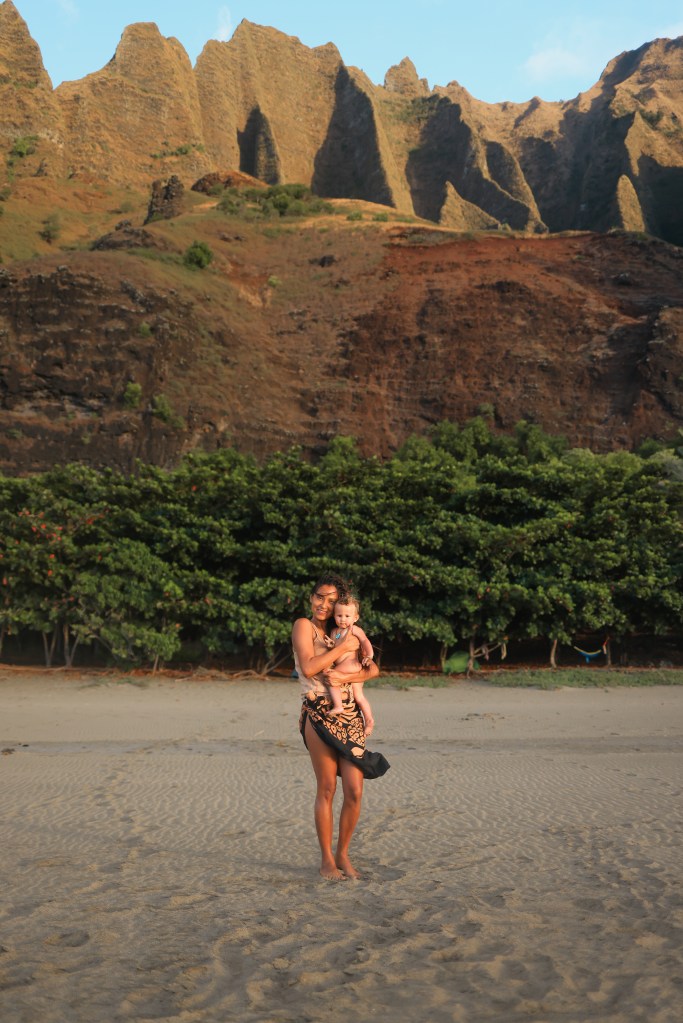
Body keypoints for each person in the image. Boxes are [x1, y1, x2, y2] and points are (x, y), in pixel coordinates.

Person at [292, 574, 390, 880]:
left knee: (354, 790)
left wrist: (348, 677)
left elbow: (373, 669)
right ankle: (326, 861)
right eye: (319, 597)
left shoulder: (342, 628)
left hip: (350, 714)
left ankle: (343, 854)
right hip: (319, 711)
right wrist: (343, 647)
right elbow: (309, 667)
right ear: (311, 597)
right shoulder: (303, 626)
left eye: (331, 600)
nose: (324, 604)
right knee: (327, 787)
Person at [326, 596, 375, 737]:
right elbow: (335, 649)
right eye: (339, 615)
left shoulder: (354, 629)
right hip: (345, 665)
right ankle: (369, 720)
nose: (343, 619)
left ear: (355, 617)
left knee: (332, 677)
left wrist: (369, 655)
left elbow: (365, 641)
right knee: (359, 696)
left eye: (347, 616)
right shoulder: (334, 632)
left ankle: (338, 705)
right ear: (334, 616)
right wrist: (331, 645)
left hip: (351, 664)